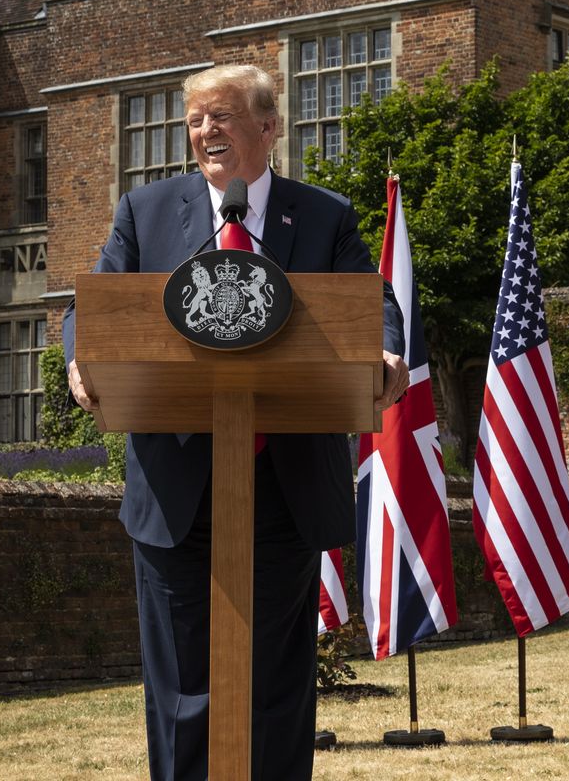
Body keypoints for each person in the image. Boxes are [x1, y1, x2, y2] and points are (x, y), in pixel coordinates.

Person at [61, 63, 407, 781]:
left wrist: (385, 350)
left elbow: (371, 305)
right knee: (184, 693)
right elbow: (86, 311)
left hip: (282, 490)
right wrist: (78, 357)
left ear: (268, 126)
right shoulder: (145, 212)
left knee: (276, 693)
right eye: (195, 119)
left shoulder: (322, 215)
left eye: (222, 115)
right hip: (177, 492)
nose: (206, 130)